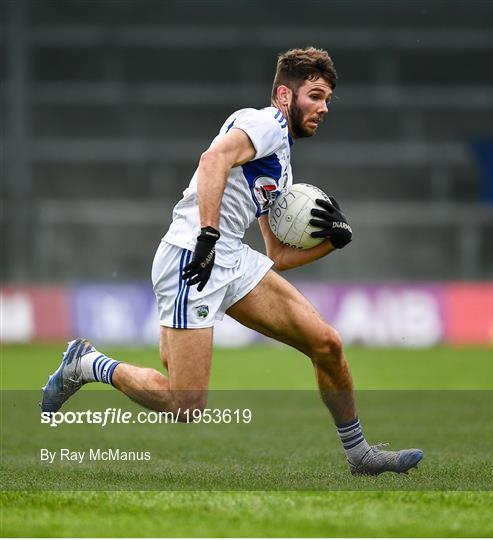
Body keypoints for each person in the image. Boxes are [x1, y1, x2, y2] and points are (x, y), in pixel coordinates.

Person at [42, 47, 423, 475]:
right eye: (315, 95)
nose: (323, 107)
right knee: (185, 403)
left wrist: (332, 242)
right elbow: (212, 160)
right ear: (285, 95)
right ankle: (87, 363)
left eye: (328, 99)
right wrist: (207, 233)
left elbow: (276, 254)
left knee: (327, 344)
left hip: (231, 259)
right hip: (193, 255)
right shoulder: (267, 123)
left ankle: (360, 455)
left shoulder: (280, 162)